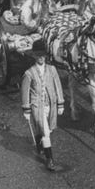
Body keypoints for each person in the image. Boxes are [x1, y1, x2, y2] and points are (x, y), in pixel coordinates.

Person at [21, 39, 65, 168]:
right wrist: (26, 110)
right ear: (34, 56)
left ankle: (39, 140)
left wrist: (61, 103)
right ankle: (49, 159)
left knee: (49, 130)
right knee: (46, 132)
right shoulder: (29, 73)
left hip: (51, 105)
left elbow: (58, 86)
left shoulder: (52, 70)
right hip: (36, 106)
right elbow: (25, 91)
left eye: (43, 55)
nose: (41, 58)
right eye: (38, 55)